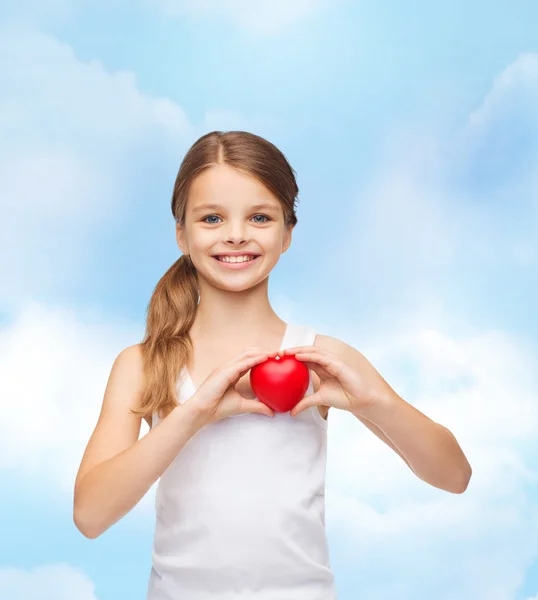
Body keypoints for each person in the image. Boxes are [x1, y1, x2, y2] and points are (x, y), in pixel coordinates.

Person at [73, 130, 472, 599]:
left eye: (259, 217)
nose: (236, 234)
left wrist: (376, 402)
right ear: (182, 234)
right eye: (212, 218)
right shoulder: (142, 364)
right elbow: (91, 516)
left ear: (287, 234)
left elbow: (454, 477)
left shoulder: (322, 358)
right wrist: (194, 413)